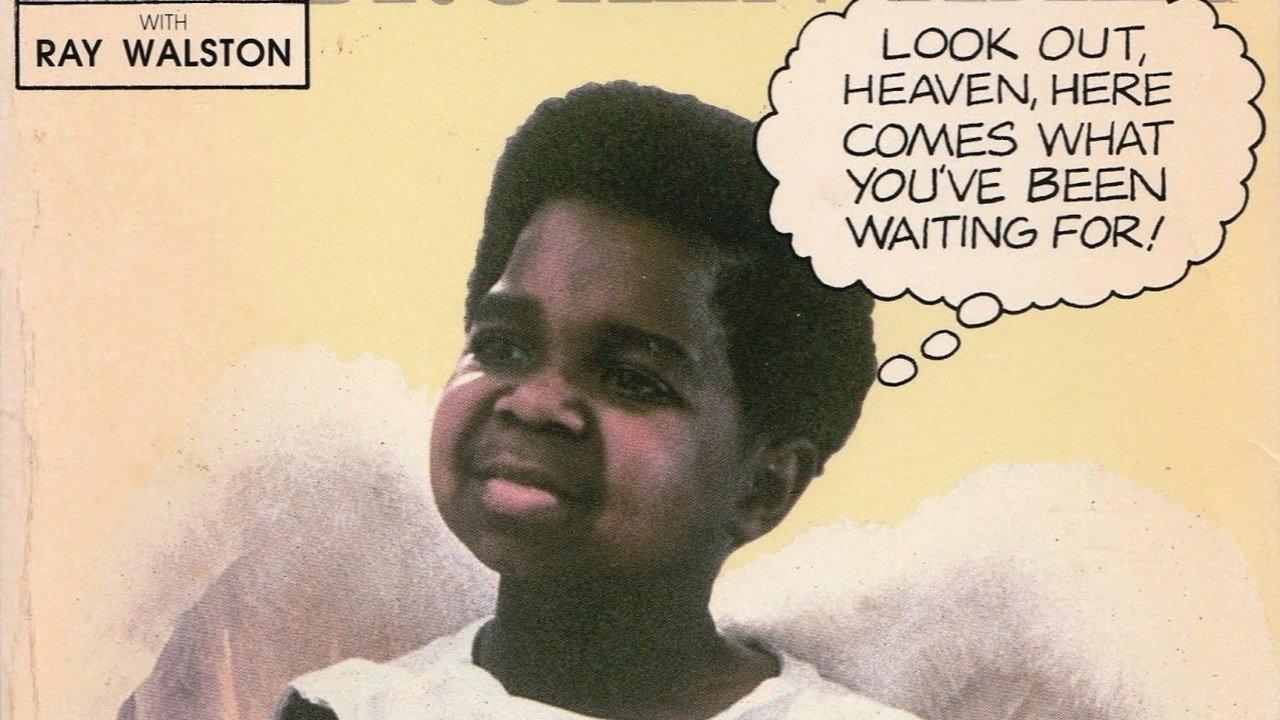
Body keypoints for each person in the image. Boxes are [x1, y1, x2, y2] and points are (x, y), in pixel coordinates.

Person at [276, 80, 917, 720]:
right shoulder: (347, 711)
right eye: (503, 346)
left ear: (762, 488)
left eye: (633, 380)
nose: (534, 404)